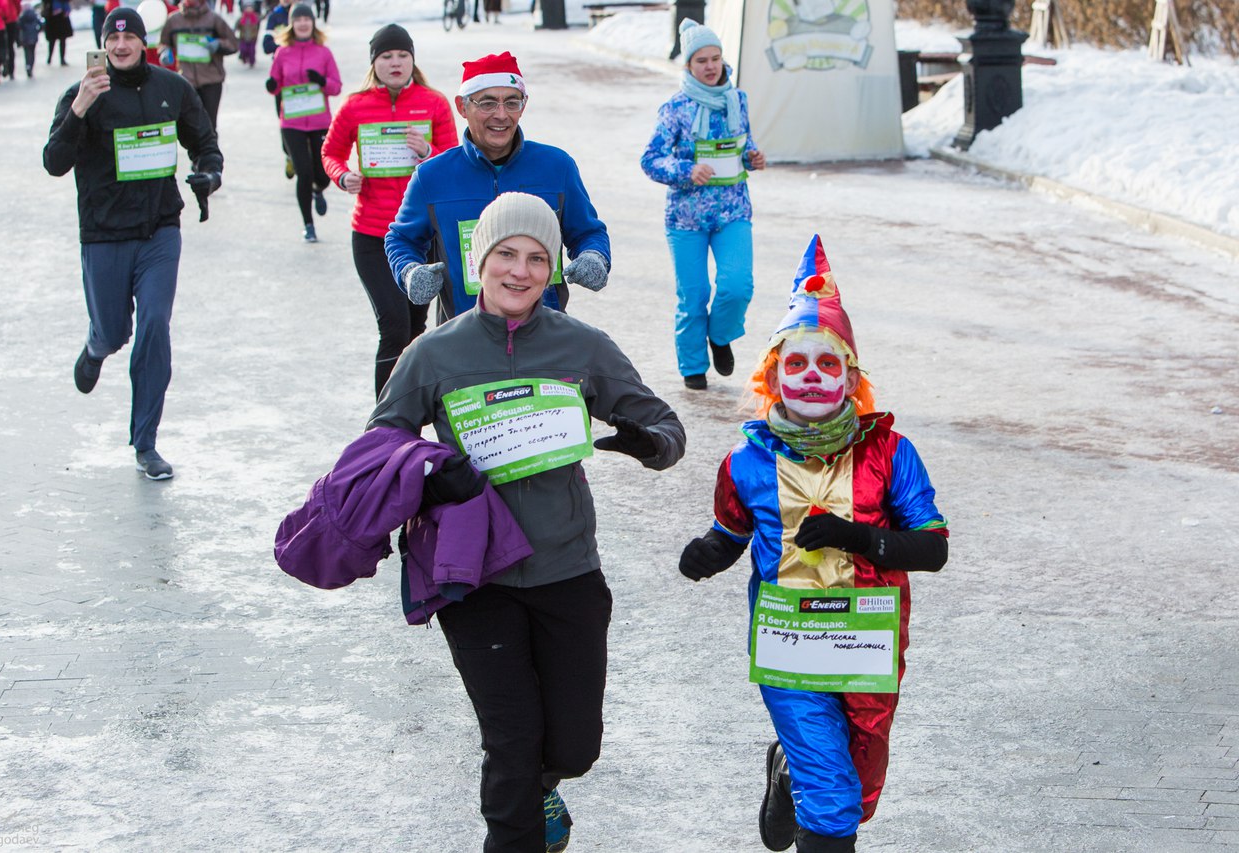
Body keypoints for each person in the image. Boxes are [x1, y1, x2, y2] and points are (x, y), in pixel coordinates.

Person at [370, 192, 685, 852]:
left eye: (538, 258)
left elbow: (666, 426)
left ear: (555, 269)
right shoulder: (433, 353)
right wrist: (430, 470)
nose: (520, 271)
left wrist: (647, 442)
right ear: (477, 261)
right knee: (509, 741)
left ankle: (547, 781)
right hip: (473, 576)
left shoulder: (583, 345)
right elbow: (379, 447)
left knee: (574, 742)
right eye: (506, 255)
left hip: (565, 565)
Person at [677, 235, 948, 853]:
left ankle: (787, 770)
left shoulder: (890, 453)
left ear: (853, 379)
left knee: (861, 781)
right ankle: (807, 780)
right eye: (796, 363)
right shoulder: (745, 462)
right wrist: (708, 554)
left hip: (869, 640)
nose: (812, 376)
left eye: (829, 364)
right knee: (833, 801)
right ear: (772, 376)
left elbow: (932, 549)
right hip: (789, 641)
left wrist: (858, 538)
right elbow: (731, 531)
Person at [43, 7, 223, 480]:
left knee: (155, 326)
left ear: (144, 42)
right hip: (104, 234)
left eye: (130, 39)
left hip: (160, 230)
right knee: (115, 330)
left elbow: (204, 141)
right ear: (103, 45)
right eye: (112, 40)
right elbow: (54, 162)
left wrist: (210, 172)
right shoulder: (82, 94)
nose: (121, 46)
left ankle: (146, 442)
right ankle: (96, 347)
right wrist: (80, 108)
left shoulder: (172, 88)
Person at [385, 51, 611, 324]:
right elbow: (402, 239)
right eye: (488, 103)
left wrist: (594, 257)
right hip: (463, 332)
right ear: (462, 107)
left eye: (511, 102)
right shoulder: (432, 175)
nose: (501, 115)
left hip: (544, 328)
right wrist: (409, 271)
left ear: (523, 106)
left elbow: (588, 231)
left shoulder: (556, 166)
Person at [322, 23, 457, 397]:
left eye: (402, 55)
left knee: (415, 329)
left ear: (413, 59)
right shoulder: (356, 105)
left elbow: (454, 161)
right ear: (374, 63)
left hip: (424, 236)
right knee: (393, 325)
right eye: (387, 56)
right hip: (372, 233)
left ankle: (410, 406)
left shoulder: (433, 102)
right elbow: (330, 152)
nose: (396, 63)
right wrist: (343, 175)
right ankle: (386, 423)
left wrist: (428, 152)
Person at [641, 18, 766, 391]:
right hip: (686, 218)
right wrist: (686, 170)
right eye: (701, 60)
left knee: (737, 286)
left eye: (716, 58)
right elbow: (650, 160)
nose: (711, 67)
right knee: (693, 295)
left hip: (733, 211)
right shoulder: (675, 108)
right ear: (688, 66)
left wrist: (753, 158)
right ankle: (693, 363)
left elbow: (741, 147)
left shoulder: (737, 99)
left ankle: (721, 335)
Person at [264, 3, 339, 242]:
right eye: (299, 19)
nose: (303, 23)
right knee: (303, 173)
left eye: (307, 19)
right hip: (292, 122)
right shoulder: (282, 52)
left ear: (313, 23)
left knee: (322, 174)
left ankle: (319, 190)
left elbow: (336, 86)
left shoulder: (323, 52)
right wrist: (272, 86)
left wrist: (321, 81)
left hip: (319, 121)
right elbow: (274, 83)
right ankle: (308, 224)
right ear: (292, 24)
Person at [159, 0, 237, 129]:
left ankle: (211, 149)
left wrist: (218, 44)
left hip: (211, 80)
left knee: (209, 126)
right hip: (185, 80)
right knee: (189, 126)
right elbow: (163, 42)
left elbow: (233, 43)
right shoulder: (173, 20)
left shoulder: (214, 19)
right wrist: (165, 52)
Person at [40, 0, 68, 65]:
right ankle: (50, 57)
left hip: (62, 17)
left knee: (62, 40)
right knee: (52, 40)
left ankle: (62, 59)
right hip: (51, 18)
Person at [17, 0, 38, 77]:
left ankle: (28, 65)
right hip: (33, 37)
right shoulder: (34, 14)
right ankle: (31, 66)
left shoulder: (21, 16)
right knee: (32, 52)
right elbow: (40, 23)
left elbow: (18, 25)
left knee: (27, 53)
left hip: (25, 37)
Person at [233, 0, 257, 66]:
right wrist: (233, 32)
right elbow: (236, 26)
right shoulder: (241, 18)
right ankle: (244, 58)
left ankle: (252, 62)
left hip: (252, 38)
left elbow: (261, 20)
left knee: (252, 51)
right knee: (243, 50)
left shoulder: (255, 18)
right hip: (243, 37)